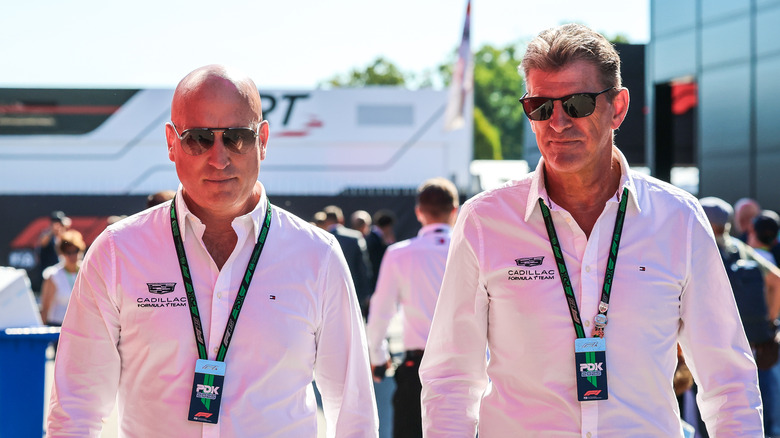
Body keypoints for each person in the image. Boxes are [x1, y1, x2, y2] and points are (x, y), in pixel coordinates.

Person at [419, 23, 763, 437]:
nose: (557, 122)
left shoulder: (679, 219)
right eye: (541, 106)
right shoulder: (484, 222)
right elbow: (451, 380)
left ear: (617, 107)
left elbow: (728, 380)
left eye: (577, 104)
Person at [47, 65, 378, 437]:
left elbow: (354, 413)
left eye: (236, 137)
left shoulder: (317, 255)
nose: (219, 158)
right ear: (172, 143)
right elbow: (75, 408)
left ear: (263, 140)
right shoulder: (116, 252)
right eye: (199, 138)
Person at [365, 177, 458, 438]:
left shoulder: (399, 254)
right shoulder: (471, 250)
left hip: (417, 369)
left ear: (419, 212)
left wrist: (378, 356)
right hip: (464, 369)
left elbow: (381, 312)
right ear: (455, 210)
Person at [700, 197, 780, 436]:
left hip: (708, 345)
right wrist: (769, 322)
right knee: (755, 407)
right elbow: (776, 280)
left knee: (710, 413)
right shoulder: (738, 248)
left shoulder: (694, 250)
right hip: (750, 341)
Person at [323, 205, 372, 317]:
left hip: (326, 295)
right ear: (341, 220)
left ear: (326, 221)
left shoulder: (318, 237)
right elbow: (363, 269)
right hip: (352, 292)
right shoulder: (355, 237)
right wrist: (366, 294)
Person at [40, 229, 86, 327]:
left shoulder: (88, 272)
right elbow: (45, 308)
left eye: (75, 251)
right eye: (68, 252)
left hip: (82, 328)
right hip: (57, 329)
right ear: (61, 253)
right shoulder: (53, 275)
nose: (72, 255)